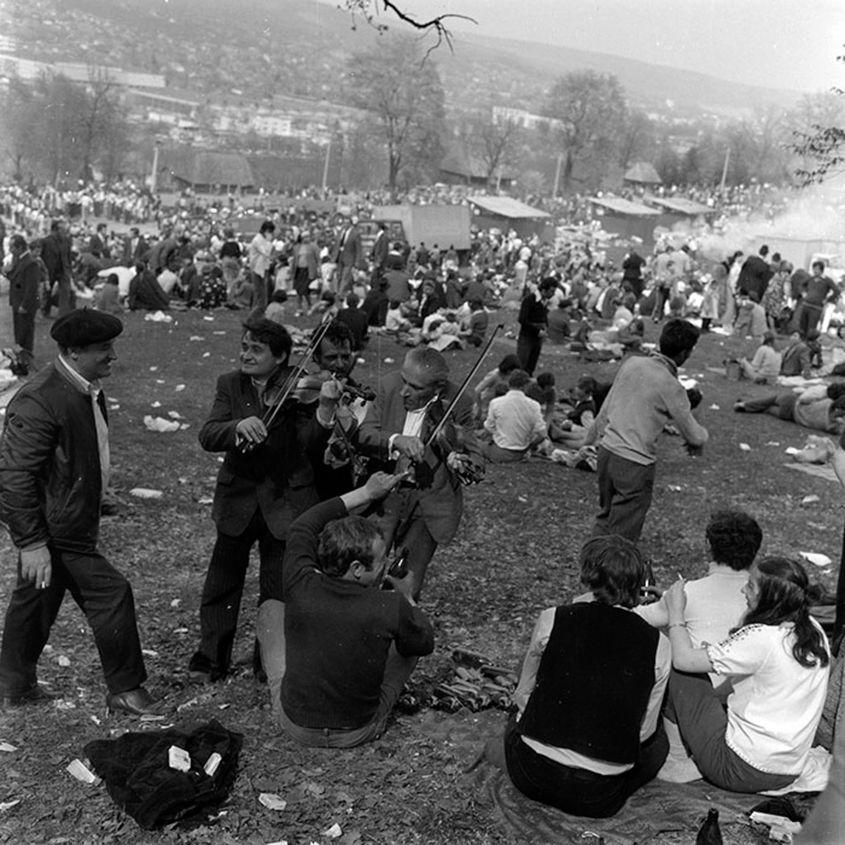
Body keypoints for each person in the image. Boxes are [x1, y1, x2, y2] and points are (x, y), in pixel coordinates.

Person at [0, 310, 157, 715]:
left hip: (66, 520)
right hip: (56, 528)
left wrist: (99, 493)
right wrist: (32, 542)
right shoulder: (40, 399)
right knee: (111, 593)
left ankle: (12, 686)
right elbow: (14, 476)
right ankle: (125, 690)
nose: (113, 355)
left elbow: (84, 452)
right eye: (104, 348)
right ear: (73, 351)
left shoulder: (86, 388)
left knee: (36, 600)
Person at [187, 318, 338, 684]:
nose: (246, 355)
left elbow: (310, 444)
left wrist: (325, 409)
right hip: (237, 498)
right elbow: (209, 434)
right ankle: (211, 660)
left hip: (286, 500)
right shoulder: (230, 384)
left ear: (281, 357)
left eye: (256, 350)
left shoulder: (301, 389)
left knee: (276, 587)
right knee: (221, 583)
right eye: (244, 347)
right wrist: (236, 426)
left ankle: (268, 662)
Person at [258, 472, 434, 747]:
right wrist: (408, 600)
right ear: (357, 569)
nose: (385, 564)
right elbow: (424, 643)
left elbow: (303, 525)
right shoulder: (389, 604)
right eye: (381, 560)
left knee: (271, 608)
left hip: (297, 726)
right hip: (358, 730)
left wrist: (366, 493)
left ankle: (288, 689)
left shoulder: (301, 581)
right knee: (412, 636)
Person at [504, 535, 670, 818]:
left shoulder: (553, 617)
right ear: (639, 585)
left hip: (530, 774)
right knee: (660, 744)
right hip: (597, 795)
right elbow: (645, 732)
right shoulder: (659, 644)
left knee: (515, 714)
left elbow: (522, 695)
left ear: (587, 576)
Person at [662, 556, 830, 793]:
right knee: (709, 683)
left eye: (751, 586)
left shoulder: (764, 638)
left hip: (740, 768)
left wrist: (675, 612)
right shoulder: (814, 630)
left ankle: (678, 758)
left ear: (769, 598)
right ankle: (700, 750)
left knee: (681, 670)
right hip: (788, 769)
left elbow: (683, 659)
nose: (743, 590)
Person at [637, 510, 763, 781]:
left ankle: (677, 754)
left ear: (708, 545)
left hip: (702, 702)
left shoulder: (689, 592)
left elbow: (638, 618)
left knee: (672, 649)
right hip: (748, 705)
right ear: (756, 550)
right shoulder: (763, 594)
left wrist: (667, 603)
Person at [356, 347, 483, 599]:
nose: (404, 391)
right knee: (366, 567)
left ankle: (396, 617)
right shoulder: (389, 385)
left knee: (407, 581)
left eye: (415, 387)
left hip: (428, 501)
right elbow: (364, 434)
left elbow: (476, 457)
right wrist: (395, 439)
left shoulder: (460, 402)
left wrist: (462, 462)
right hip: (386, 492)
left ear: (438, 387)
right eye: (404, 381)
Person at [588, 319, 708, 542]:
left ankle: (591, 559)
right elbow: (695, 436)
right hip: (634, 462)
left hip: (607, 451)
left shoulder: (632, 363)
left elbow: (605, 409)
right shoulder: (671, 386)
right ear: (686, 353)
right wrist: (701, 430)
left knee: (605, 517)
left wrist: (589, 440)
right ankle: (610, 563)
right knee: (623, 532)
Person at [483, 370, 548, 462]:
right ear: (526, 386)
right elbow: (543, 435)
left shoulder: (495, 403)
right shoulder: (534, 405)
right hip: (522, 452)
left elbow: (488, 429)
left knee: (470, 441)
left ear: (509, 384)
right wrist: (529, 447)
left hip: (500, 451)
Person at [734, 382, 845, 434]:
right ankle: (747, 405)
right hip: (790, 417)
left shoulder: (825, 401)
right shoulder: (833, 427)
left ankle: (744, 404)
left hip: (791, 406)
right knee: (767, 409)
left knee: (770, 400)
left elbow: (802, 399)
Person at [7, 234, 40, 375]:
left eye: (12, 247)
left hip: (24, 305)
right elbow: (14, 278)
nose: (10, 250)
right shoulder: (18, 259)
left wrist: (25, 305)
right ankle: (22, 359)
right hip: (17, 302)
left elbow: (32, 287)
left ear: (20, 247)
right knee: (19, 331)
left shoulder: (31, 262)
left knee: (25, 332)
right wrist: (6, 271)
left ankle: (26, 360)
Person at [516, 277, 556, 376]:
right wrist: (537, 330)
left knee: (531, 364)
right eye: (551, 291)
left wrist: (545, 326)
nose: (553, 294)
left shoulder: (544, 301)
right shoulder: (529, 300)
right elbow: (522, 319)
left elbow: (543, 316)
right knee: (521, 363)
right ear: (544, 290)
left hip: (538, 338)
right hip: (527, 336)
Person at [39, 219, 73, 317]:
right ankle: (45, 311)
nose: (64, 231)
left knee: (65, 292)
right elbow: (40, 256)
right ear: (55, 230)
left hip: (64, 270)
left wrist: (69, 269)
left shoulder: (66, 240)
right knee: (47, 292)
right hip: (50, 271)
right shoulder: (45, 241)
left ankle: (63, 314)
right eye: (62, 229)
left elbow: (68, 255)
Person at [798, 260, 840, 339]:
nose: (814, 271)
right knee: (802, 327)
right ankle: (800, 341)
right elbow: (801, 285)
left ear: (821, 270)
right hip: (806, 305)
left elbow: (837, 291)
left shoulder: (827, 280)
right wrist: (803, 293)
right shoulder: (811, 278)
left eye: (816, 269)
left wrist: (827, 300)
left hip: (816, 308)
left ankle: (808, 343)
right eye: (814, 269)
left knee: (811, 329)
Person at [248, 220, 275, 311]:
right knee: (260, 294)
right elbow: (266, 253)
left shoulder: (264, 240)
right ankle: (256, 312)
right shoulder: (257, 240)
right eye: (270, 232)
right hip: (257, 269)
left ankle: (259, 311)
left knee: (263, 293)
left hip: (263, 268)